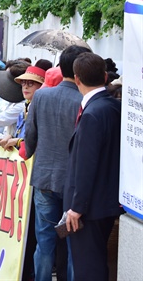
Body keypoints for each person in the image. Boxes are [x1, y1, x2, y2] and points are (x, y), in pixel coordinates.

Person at [23, 46, 90, 281]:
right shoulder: (83, 100)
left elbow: (30, 138)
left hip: (43, 178)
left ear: (60, 67)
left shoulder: (41, 96)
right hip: (71, 184)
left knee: (44, 241)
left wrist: (28, 152)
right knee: (73, 244)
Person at [63, 52, 122, 281]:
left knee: (88, 269)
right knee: (95, 264)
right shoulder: (113, 106)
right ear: (105, 76)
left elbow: (86, 165)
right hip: (105, 201)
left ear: (77, 79)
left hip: (89, 207)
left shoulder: (93, 114)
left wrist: (77, 207)